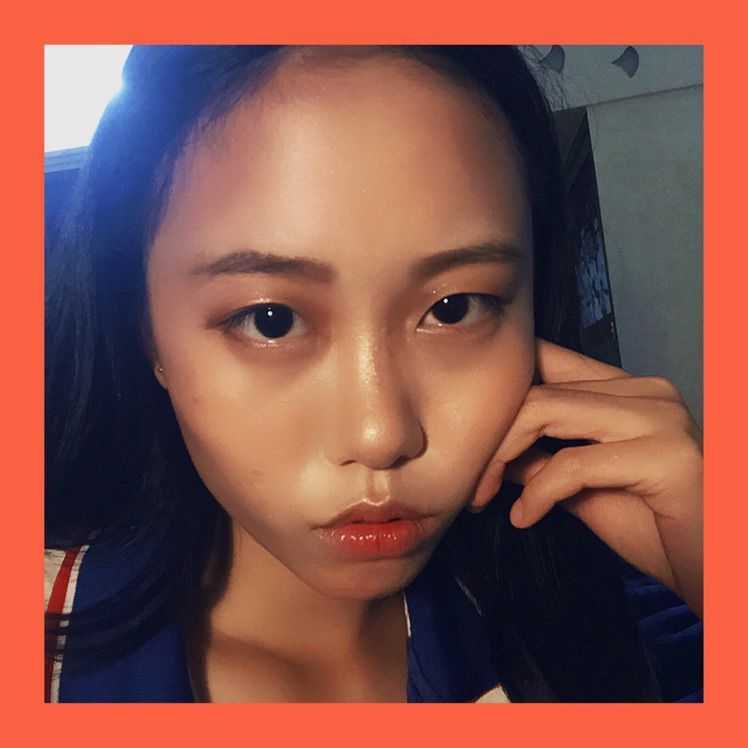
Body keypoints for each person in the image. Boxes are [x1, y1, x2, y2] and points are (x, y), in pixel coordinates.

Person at [44, 44, 703, 703]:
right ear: (146, 329)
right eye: (272, 320)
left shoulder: (636, 624)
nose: (380, 435)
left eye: (454, 308)